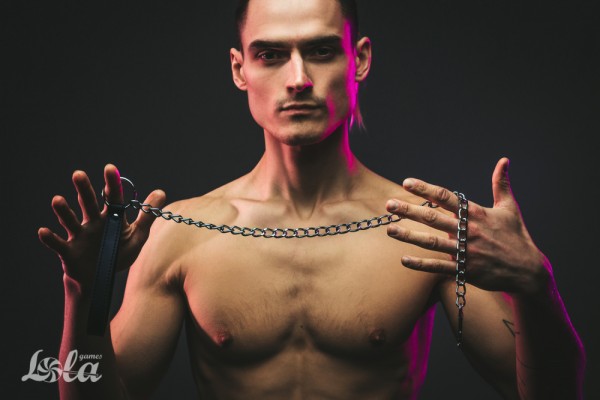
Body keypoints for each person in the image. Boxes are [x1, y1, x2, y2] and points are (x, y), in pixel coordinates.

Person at [38, 0, 585, 398]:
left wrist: (536, 286)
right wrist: (84, 291)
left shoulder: (428, 229)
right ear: (240, 69)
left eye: (321, 51)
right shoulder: (182, 232)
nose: (298, 79)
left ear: (359, 59)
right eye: (271, 54)